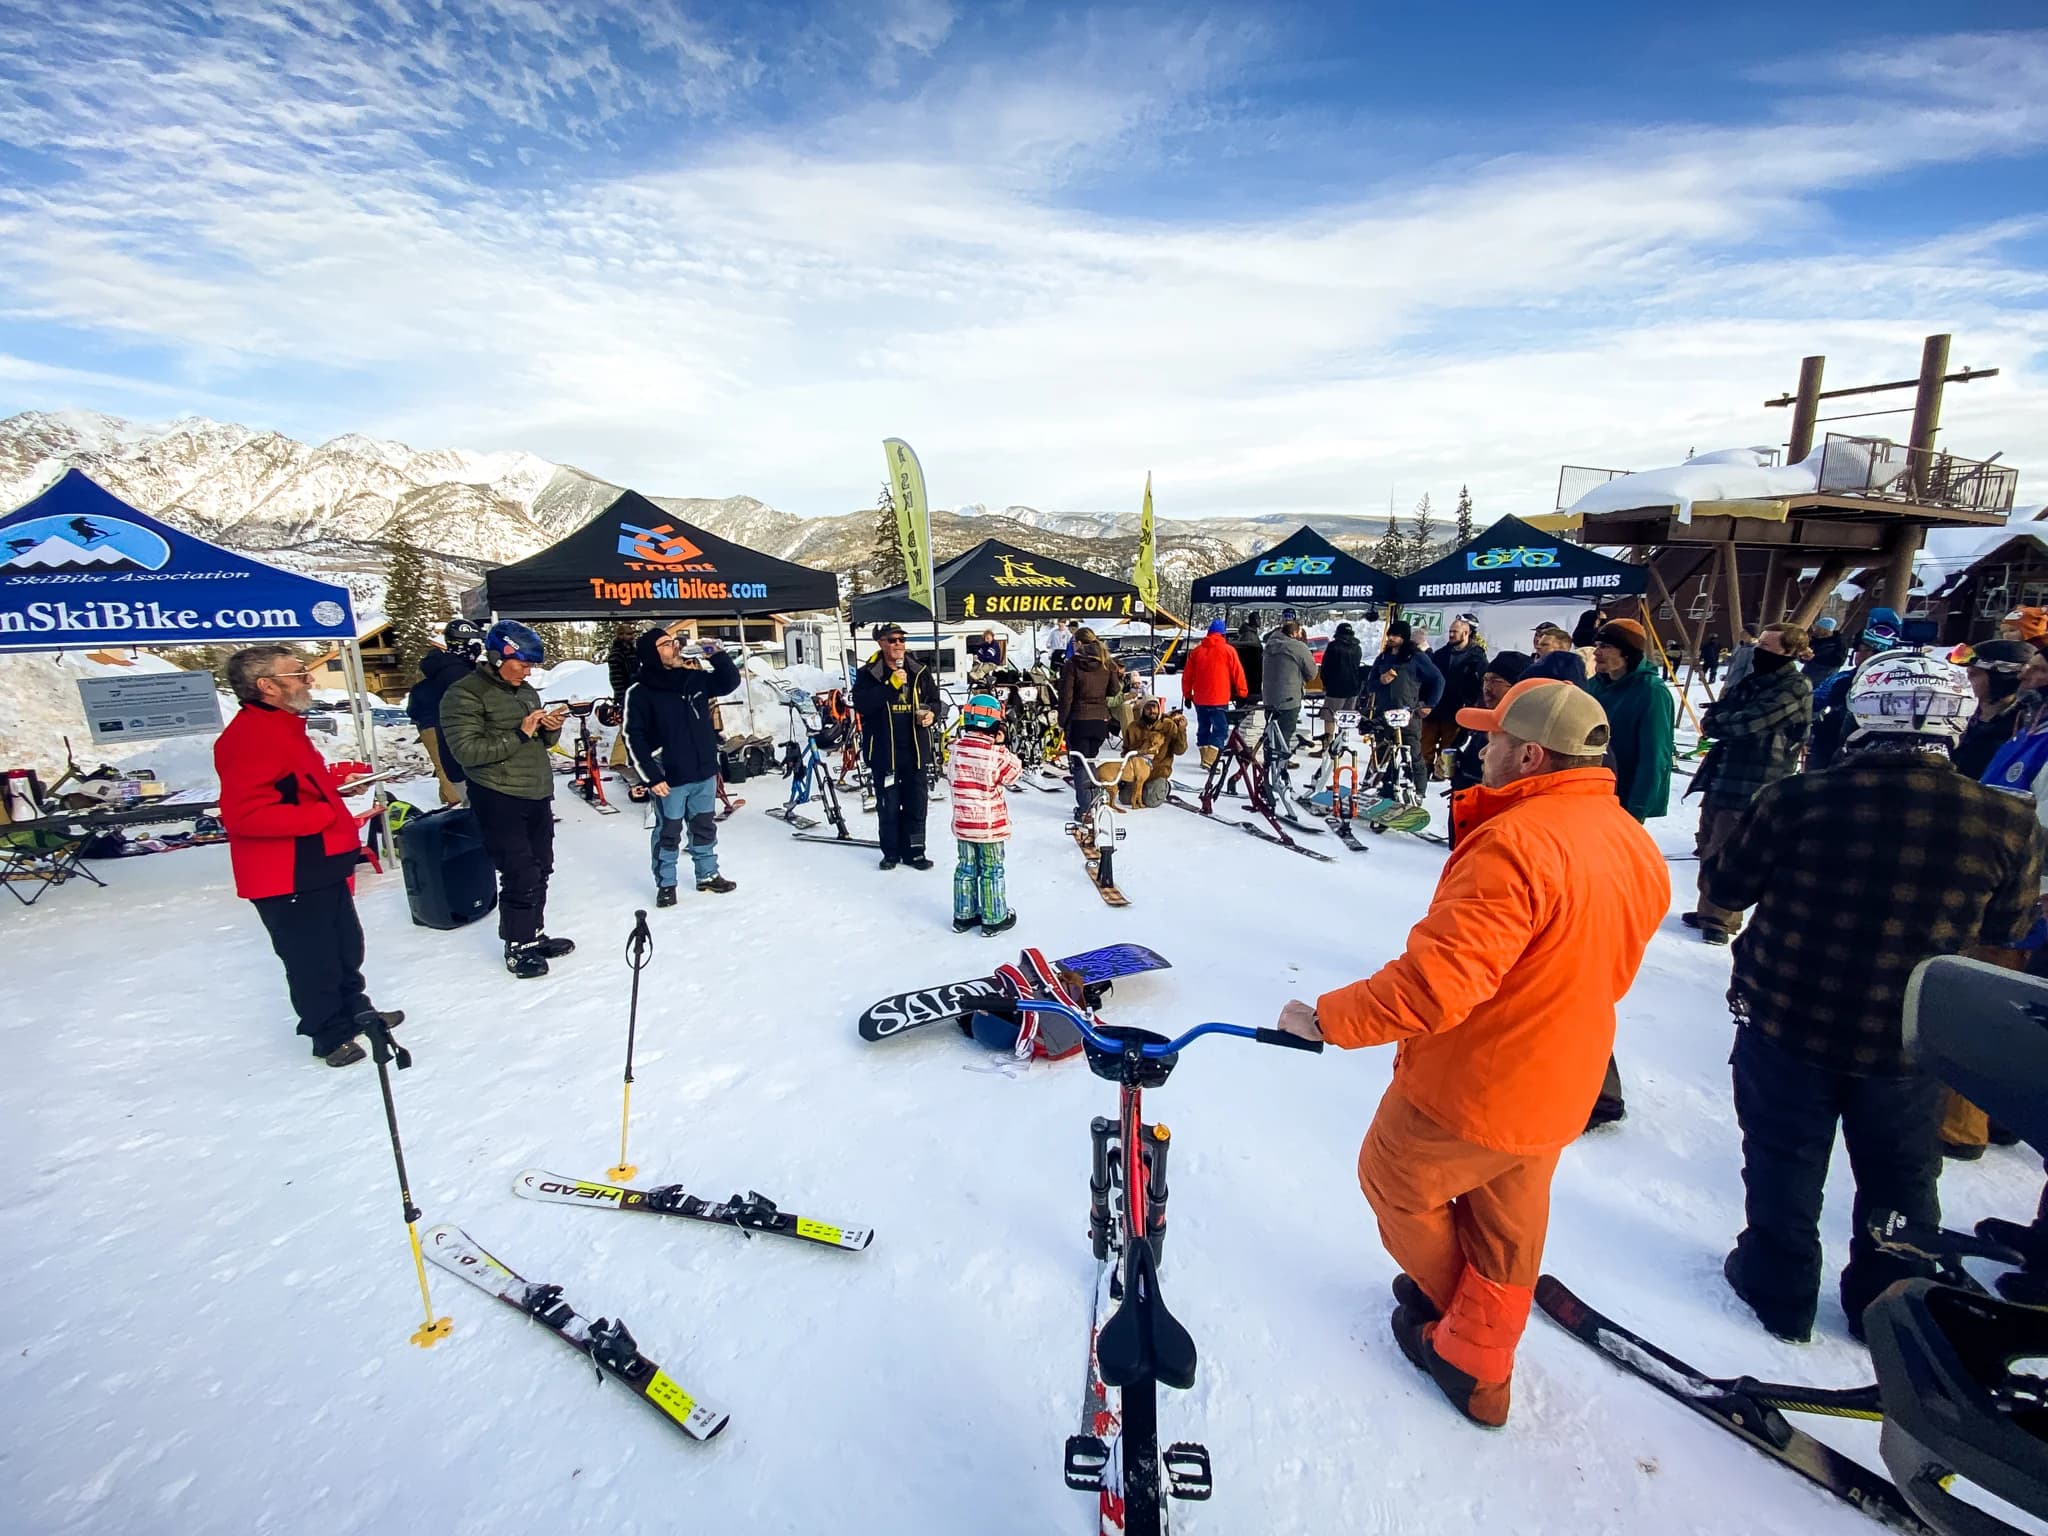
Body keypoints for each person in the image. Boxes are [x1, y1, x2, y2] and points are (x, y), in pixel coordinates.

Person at [1273, 679, 1666, 1426]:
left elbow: (1436, 985)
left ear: (1530, 755)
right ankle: (1477, 1351)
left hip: (1478, 1082)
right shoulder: (1627, 837)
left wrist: (1326, 1019)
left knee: (1395, 1179)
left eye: (1493, 739)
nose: (1480, 749)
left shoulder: (1519, 843)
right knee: (1506, 1220)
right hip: (1565, 1073)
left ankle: (1470, 1346)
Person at [1705, 650, 2042, 1343]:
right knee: (1902, 1172)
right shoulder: (2007, 820)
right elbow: (2008, 928)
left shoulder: (1797, 799)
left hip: (1787, 1016)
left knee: (1783, 1156)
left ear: (1864, 711)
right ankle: (1886, 1297)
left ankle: (1778, 1285)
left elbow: (1727, 887)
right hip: (1912, 1037)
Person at [215, 646, 399, 1068]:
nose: (309, 679)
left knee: (344, 946)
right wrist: (321, 813)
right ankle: (328, 1034)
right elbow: (245, 815)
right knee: (311, 958)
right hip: (286, 871)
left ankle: (356, 1011)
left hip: (319, 860)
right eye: (297, 674)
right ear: (267, 686)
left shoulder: (283, 726)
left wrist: (337, 788)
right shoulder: (246, 738)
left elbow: (291, 786)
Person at [438, 619, 575, 979]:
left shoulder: (525, 691)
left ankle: (534, 933)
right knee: (519, 870)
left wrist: (550, 729)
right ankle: (518, 944)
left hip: (535, 791)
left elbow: (539, 742)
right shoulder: (464, 694)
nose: (528, 672)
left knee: (541, 865)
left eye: (532, 666)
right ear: (499, 657)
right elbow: (466, 751)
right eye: (523, 664)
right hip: (498, 795)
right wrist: (520, 732)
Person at [1681, 623, 1812, 946]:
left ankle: (1720, 917)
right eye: (1759, 644)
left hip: (1756, 780)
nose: (1759, 651)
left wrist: (1723, 721)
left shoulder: (1795, 687)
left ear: (1788, 651)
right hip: (1724, 774)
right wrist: (1720, 720)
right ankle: (1708, 907)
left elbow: (1749, 722)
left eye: (1767, 646)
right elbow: (1716, 716)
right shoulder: (1753, 680)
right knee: (1708, 841)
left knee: (1730, 849)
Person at [622, 627, 741, 907]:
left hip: (703, 771)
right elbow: (633, 736)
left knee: (704, 826)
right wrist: (651, 777)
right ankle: (666, 883)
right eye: (666, 644)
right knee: (668, 832)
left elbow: (728, 682)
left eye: (674, 642)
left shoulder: (692, 678)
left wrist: (717, 655)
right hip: (670, 777)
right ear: (651, 654)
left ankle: (707, 875)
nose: (674, 646)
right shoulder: (640, 691)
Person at [852, 622, 941, 871]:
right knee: (888, 807)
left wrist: (932, 714)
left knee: (917, 805)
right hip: (884, 752)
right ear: (881, 643)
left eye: (902, 639)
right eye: (893, 640)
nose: (899, 644)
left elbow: (935, 701)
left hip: (915, 751)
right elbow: (862, 705)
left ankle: (915, 853)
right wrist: (890, 685)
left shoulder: (919, 670)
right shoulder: (869, 673)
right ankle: (890, 853)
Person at [1584, 618, 1675, 824]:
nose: (1596, 652)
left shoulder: (1652, 692)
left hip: (1624, 798)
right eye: (1597, 645)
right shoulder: (1593, 686)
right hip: (1590, 792)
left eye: (1605, 646)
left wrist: (1638, 809)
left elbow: (1655, 756)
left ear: (1626, 652)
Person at [948, 692, 1023, 936]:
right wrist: (1001, 745)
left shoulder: (956, 749)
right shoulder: (995, 754)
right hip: (989, 827)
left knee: (966, 868)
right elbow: (1013, 774)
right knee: (992, 870)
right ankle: (994, 918)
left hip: (963, 824)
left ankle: (964, 916)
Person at [1807, 608, 1904, 771]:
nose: (1856, 653)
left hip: (1838, 761)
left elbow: (1812, 701)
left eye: (1860, 648)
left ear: (1871, 652)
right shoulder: (1904, 679)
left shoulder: (1845, 679)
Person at [1363, 619, 1444, 806]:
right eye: (1390, 634)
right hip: (1384, 715)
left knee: (1413, 754)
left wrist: (1430, 704)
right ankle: (1382, 788)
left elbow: (1438, 680)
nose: (1391, 638)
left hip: (1408, 715)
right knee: (1382, 754)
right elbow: (1369, 684)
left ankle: (1418, 792)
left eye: (1396, 635)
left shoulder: (1416, 657)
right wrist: (1380, 681)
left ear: (1404, 637)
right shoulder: (1383, 658)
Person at [408, 619, 480, 808]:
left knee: (444, 765)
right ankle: (457, 803)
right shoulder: (457, 672)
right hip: (440, 723)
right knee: (450, 766)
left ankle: (450, 800)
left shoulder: (443, 668)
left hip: (431, 722)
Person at [1057, 630, 1124, 819]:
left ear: (1079, 642)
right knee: (1091, 759)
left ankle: (1086, 809)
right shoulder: (1106, 662)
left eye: (1074, 642)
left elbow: (1066, 696)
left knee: (1080, 764)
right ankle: (1094, 801)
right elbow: (1115, 690)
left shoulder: (1073, 664)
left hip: (1079, 719)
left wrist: (1062, 721)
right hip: (1100, 721)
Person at [1448, 652, 1530, 799]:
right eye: (1485, 680)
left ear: (1517, 686)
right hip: (1467, 801)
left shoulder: (1523, 730)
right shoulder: (1485, 718)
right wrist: (1457, 765)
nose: (1487, 687)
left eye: (1495, 681)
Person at [1953, 639, 2035, 782]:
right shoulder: (1961, 715)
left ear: (2001, 679)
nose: (1965, 681)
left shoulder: (2023, 727)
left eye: (1973, 674)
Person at [1424, 614, 1488, 779]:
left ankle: (1443, 776)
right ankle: (1423, 773)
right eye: (1450, 631)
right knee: (1425, 745)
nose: (1451, 634)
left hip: (1457, 711)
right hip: (1435, 707)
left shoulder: (1477, 658)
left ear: (1466, 633)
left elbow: (1481, 685)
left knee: (1449, 748)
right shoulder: (1441, 654)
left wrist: (1471, 705)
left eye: (1455, 632)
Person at [1182, 618, 1249, 769]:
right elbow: (1238, 673)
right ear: (1223, 634)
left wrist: (1187, 695)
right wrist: (1242, 693)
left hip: (1200, 699)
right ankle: (1210, 760)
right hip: (1219, 698)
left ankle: (1205, 758)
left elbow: (1187, 676)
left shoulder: (1196, 652)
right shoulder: (1228, 650)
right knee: (1221, 729)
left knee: (1203, 728)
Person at [1117, 692, 1188, 807]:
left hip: (1158, 771)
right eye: (1148, 708)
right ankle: (1143, 787)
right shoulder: (1133, 727)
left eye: (1155, 707)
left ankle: (1165, 786)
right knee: (1125, 799)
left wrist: (1181, 731)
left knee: (1151, 801)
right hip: (1137, 771)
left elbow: (1180, 750)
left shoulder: (1168, 726)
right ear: (1142, 710)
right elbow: (1125, 751)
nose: (1152, 711)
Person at [1261, 619, 1318, 762]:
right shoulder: (1298, 647)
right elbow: (1312, 673)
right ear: (1294, 633)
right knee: (1285, 732)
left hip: (1269, 697)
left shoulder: (1269, 645)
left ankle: (1269, 762)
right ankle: (1280, 765)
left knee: (1271, 731)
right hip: (1289, 697)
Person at [1312, 621, 1366, 756]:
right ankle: (1341, 745)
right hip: (1353, 688)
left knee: (1329, 717)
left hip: (1336, 688)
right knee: (1346, 719)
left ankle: (1327, 747)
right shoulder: (1357, 648)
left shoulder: (1333, 646)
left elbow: (1326, 667)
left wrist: (1325, 683)